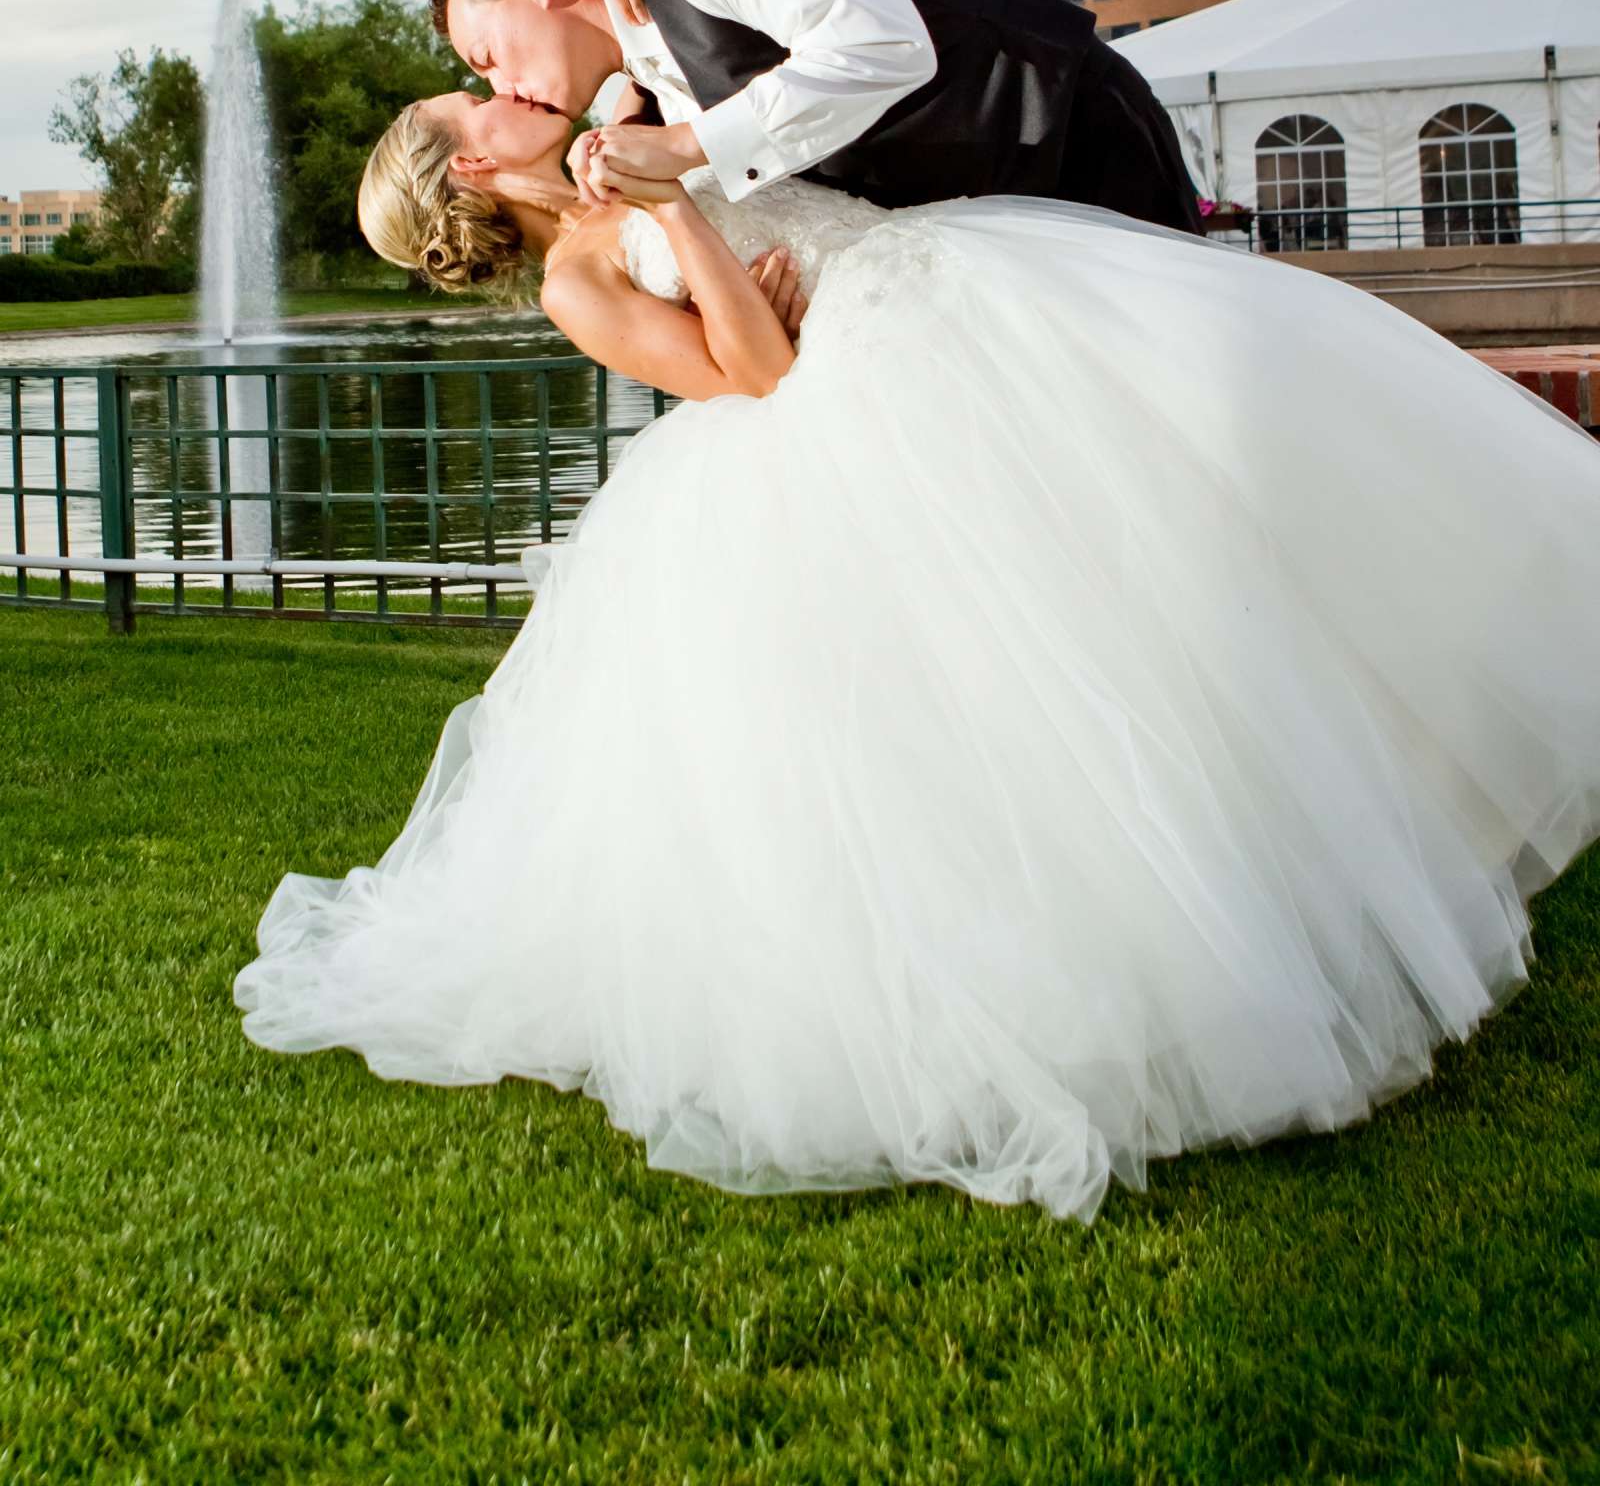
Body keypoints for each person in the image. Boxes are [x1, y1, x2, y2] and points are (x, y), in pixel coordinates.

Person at [234, 81, 1600, 1225]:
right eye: (475, 94)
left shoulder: (621, 128)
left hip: (936, 329)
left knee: (1128, 641)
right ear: (473, 161)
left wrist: (689, 211)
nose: (505, 86)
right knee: (976, 725)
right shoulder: (582, 280)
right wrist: (694, 238)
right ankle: (1103, 999)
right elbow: (759, 374)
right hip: (832, 451)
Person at [428, 0, 1205, 234]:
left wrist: (688, 144)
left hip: (1069, 134)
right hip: (993, 233)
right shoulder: (650, 89)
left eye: (486, 55)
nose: (499, 86)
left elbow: (880, 45)